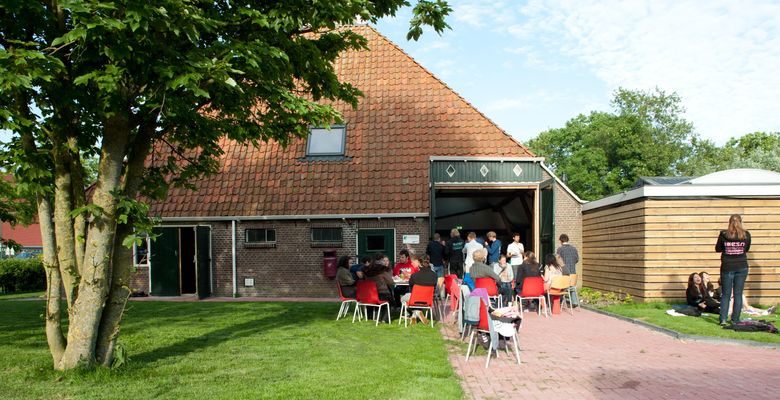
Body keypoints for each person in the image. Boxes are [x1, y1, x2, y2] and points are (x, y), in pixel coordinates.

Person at [716, 214, 751, 325]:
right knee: (738, 294)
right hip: (742, 266)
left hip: (727, 267)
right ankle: (735, 320)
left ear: (729, 222)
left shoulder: (723, 234)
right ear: (741, 222)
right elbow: (746, 249)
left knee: (726, 294)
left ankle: (723, 319)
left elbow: (718, 249)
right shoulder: (746, 235)